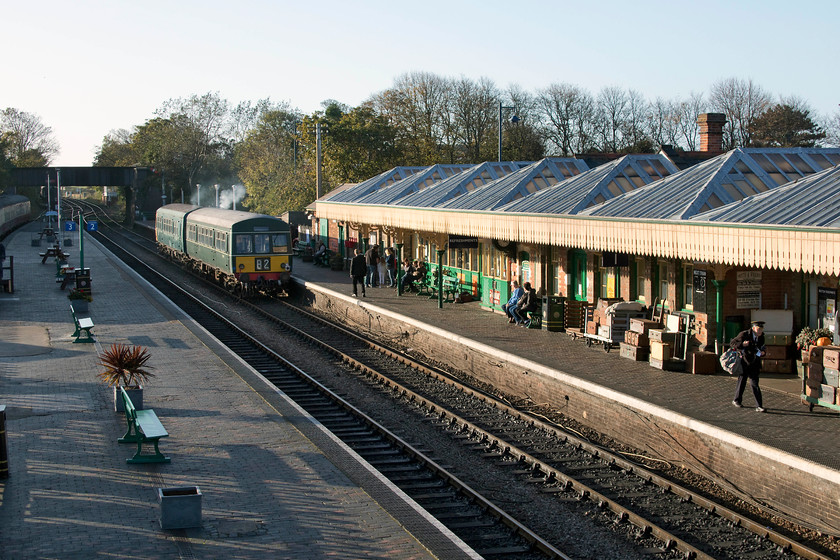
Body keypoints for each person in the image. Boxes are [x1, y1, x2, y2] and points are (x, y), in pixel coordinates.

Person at [730, 320, 767, 412]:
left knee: (755, 384)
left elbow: (762, 347)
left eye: (761, 330)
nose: (760, 332)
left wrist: (763, 353)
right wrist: (742, 344)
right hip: (745, 362)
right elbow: (733, 343)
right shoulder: (744, 334)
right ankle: (737, 400)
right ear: (753, 328)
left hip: (754, 364)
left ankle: (759, 406)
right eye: (758, 329)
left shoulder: (761, 337)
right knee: (742, 381)